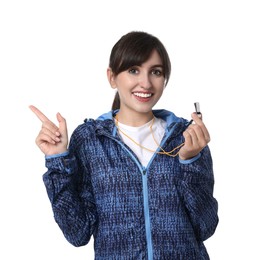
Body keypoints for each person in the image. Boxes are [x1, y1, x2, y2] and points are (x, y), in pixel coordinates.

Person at [30, 31, 218, 259]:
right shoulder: (90, 140)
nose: (146, 82)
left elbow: (205, 227)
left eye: (156, 72)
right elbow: (77, 232)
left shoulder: (186, 137)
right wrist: (58, 162)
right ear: (112, 77)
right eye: (133, 70)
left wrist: (190, 162)